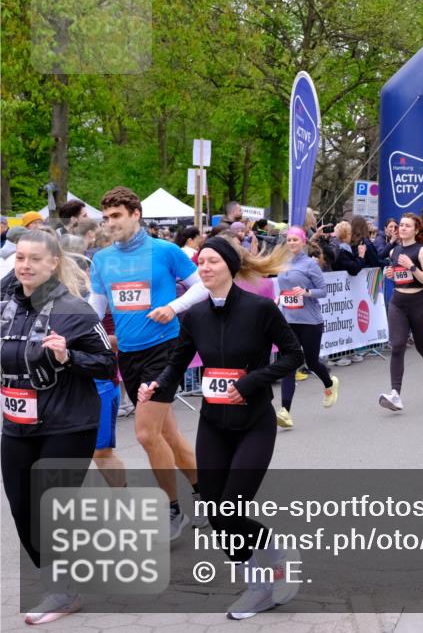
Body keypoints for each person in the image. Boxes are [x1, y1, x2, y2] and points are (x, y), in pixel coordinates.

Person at [138, 237, 304, 620]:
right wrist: (156, 386)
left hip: (254, 424)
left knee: (231, 509)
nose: (204, 267)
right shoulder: (195, 316)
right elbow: (177, 364)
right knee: (215, 513)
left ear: (229, 266)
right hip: (213, 424)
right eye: (200, 262)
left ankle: (275, 556)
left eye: (212, 261)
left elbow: (295, 355)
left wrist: (248, 382)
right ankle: (258, 585)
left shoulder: (260, 309)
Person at [1, 230, 116, 624]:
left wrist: (69, 357)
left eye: (35, 259)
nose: (25, 266)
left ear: (53, 263)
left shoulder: (75, 310)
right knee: (22, 510)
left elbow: (107, 365)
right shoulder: (5, 305)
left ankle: (63, 591)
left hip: (68, 423)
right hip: (17, 424)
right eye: (20, 258)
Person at [88, 186, 208, 539]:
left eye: (117, 216)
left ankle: (172, 511)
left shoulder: (165, 250)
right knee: (167, 433)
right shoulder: (102, 260)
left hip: (165, 349)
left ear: (135, 214)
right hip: (128, 353)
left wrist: (173, 307)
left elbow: (201, 286)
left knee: (145, 433)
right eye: (106, 218)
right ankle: (208, 495)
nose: (110, 224)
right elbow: (96, 311)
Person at [378, 212, 423, 411]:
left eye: (407, 226)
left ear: (416, 230)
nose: (402, 228)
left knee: (422, 344)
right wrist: (390, 274)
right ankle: (395, 394)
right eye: (401, 225)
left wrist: (412, 267)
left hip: (419, 303)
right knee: (397, 345)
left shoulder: (422, 251)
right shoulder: (394, 251)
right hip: (398, 302)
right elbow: (398, 276)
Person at [276, 226, 339, 427]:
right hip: (289, 320)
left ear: (303, 242)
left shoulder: (310, 265)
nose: (292, 243)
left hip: (310, 321)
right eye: (289, 240)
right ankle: (285, 411)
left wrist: (306, 292)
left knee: (312, 363)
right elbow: (285, 289)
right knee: (289, 365)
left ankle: (330, 384)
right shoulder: (283, 263)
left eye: (295, 240)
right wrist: (280, 297)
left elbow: (324, 290)